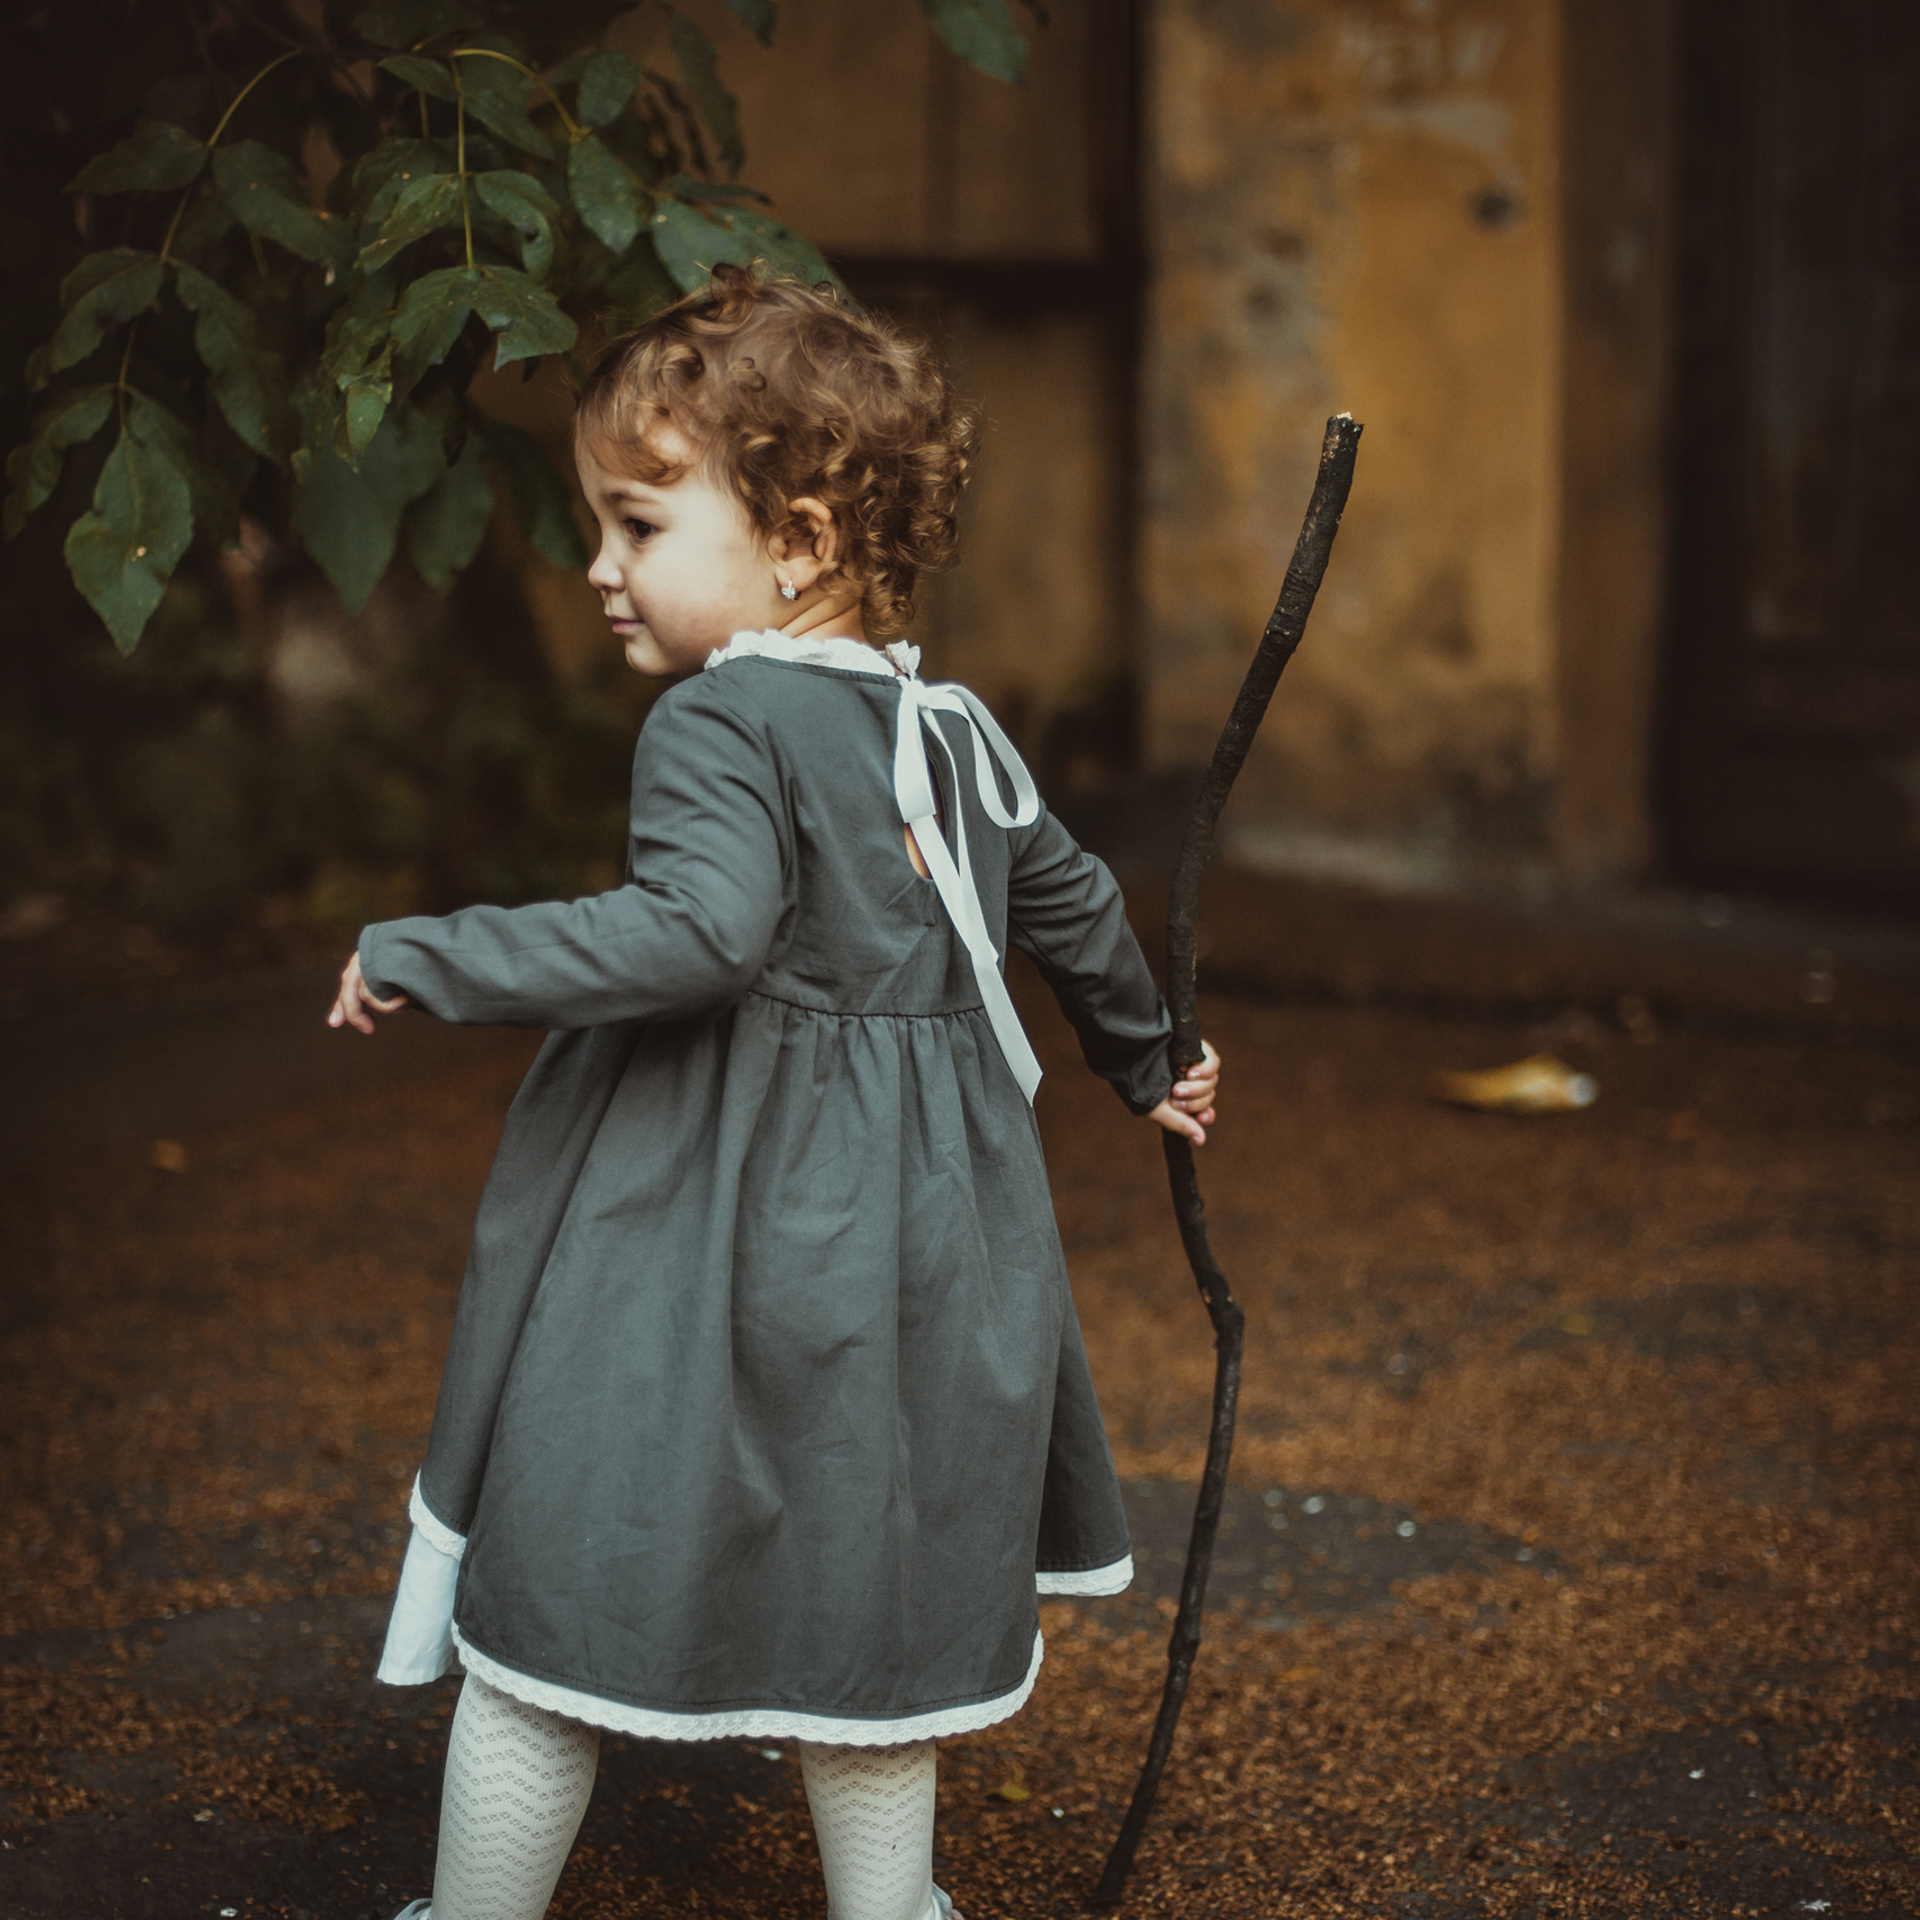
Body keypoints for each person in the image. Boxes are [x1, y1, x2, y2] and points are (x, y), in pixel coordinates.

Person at [328, 265, 1222, 1920]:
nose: (599, 567)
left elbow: (699, 932)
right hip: (914, 1239)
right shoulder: (952, 728)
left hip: (712, 1223)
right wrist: (1151, 1059)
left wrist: (431, 952)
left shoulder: (718, 718)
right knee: (860, 1577)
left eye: (639, 525)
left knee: (569, 1544)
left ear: (798, 541)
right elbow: (1070, 900)